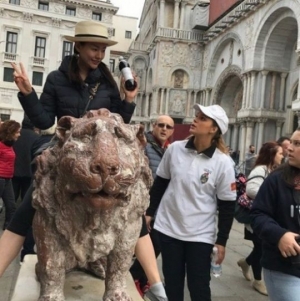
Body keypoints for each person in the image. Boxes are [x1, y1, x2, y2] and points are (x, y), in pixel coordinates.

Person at [1, 20, 167, 301]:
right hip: (68, 151)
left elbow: (118, 126)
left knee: (132, 214)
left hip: (100, 155)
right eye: (94, 48)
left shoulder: (108, 82)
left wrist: (128, 99)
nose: (99, 55)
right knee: (30, 205)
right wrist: (28, 93)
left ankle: (157, 285)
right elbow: (43, 120)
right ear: (77, 46)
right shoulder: (56, 78)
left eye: (102, 49)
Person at [145, 104, 237, 301]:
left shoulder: (223, 163)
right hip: (169, 228)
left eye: (203, 118)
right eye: (197, 115)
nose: (195, 119)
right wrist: (150, 212)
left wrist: (222, 241)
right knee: (173, 284)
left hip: (200, 235)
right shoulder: (175, 150)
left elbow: (227, 205)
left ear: (214, 129)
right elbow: (161, 183)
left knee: (199, 286)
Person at [251, 129, 300, 301]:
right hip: (284, 267)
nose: (290, 149)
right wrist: (279, 235)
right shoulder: (276, 179)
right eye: (292, 143)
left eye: (298, 144)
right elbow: (258, 214)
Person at [130, 115, 174, 296]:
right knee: (152, 244)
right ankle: (135, 278)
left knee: (156, 245)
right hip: (144, 205)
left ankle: (142, 279)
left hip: (160, 207)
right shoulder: (143, 145)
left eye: (169, 127)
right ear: (153, 126)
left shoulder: (169, 149)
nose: (164, 129)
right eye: (161, 125)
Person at [237, 141, 284, 296]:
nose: (282, 156)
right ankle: (258, 281)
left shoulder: (272, 170)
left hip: (265, 216)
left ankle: (246, 263)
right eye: (280, 153)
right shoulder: (261, 169)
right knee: (261, 248)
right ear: (271, 155)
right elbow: (251, 190)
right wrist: (273, 198)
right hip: (256, 216)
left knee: (260, 247)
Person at [12, 114, 39, 203]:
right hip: (28, 172)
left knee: (12, 197)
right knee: (25, 199)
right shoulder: (36, 137)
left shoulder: (15, 135)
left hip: (14, 170)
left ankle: (9, 215)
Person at [0, 120, 21, 229]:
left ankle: (7, 230)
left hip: (7, 179)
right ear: (10, 132)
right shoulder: (1, 145)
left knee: (11, 206)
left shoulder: (9, 145)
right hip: (1, 178)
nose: (19, 134)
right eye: (17, 132)